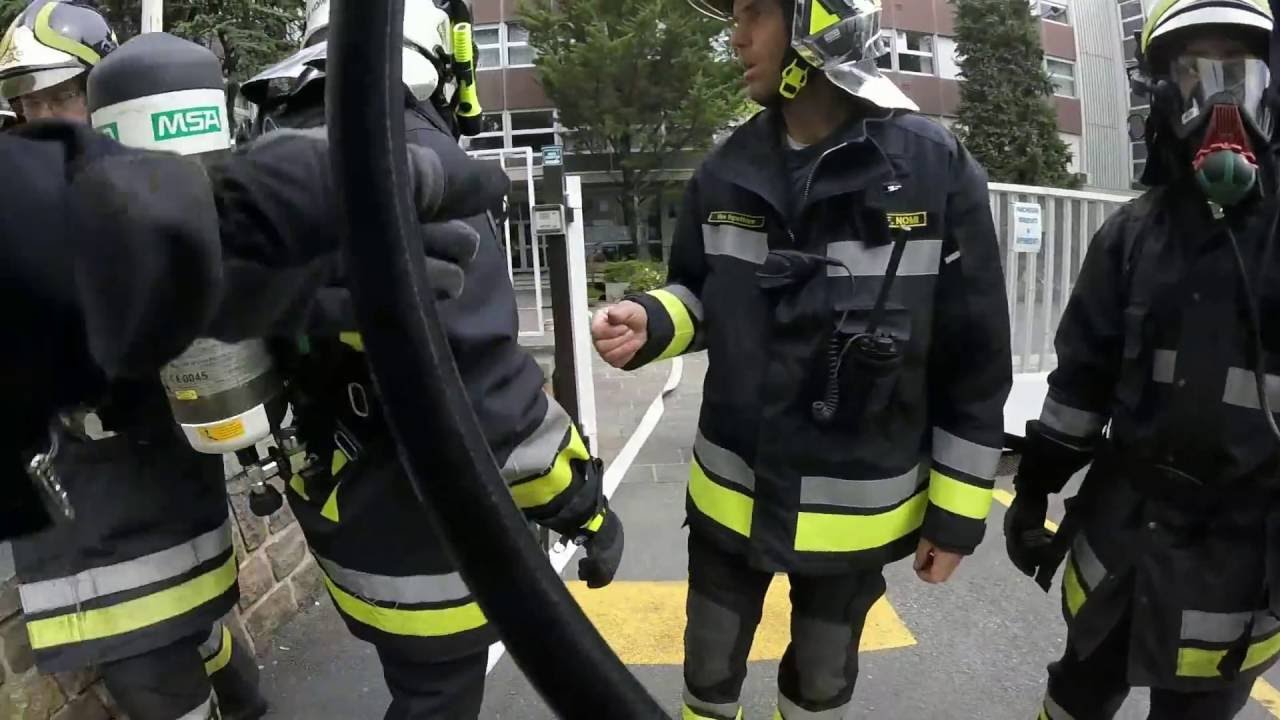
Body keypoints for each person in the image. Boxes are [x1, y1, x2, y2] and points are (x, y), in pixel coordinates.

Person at [591, 0, 1011, 716]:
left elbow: (974, 355)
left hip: (856, 517)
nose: (735, 36)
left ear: (821, 21)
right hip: (732, 501)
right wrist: (650, 322)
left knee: (820, 685)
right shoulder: (727, 171)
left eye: (755, 12)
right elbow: (698, 293)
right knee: (707, 676)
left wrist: (956, 517)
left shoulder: (933, 169)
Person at [238, 2, 625, 717]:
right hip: (426, 530)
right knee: (437, 696)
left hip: (337, 505)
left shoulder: (270, 161)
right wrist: (584, 508)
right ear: (441, 60)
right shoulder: (412, 164)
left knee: (412, 681)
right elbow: (486, 394)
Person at [1004, 2, 1280, 719]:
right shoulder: (1132, 236)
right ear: (1162, 91)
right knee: (1076, 696)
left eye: (1239, 69)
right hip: (1123, 538)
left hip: (1242, 565)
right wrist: (1034, 487)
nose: (1220, 97)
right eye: (1193, 71)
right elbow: (1079, 388)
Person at [0, 3, 269, 718]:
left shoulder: (157, 176)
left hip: (168, 476)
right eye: (27, 102)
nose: (42, 115)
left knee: (203, 643)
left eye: (60, 95)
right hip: (89, 506)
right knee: (158, 670)